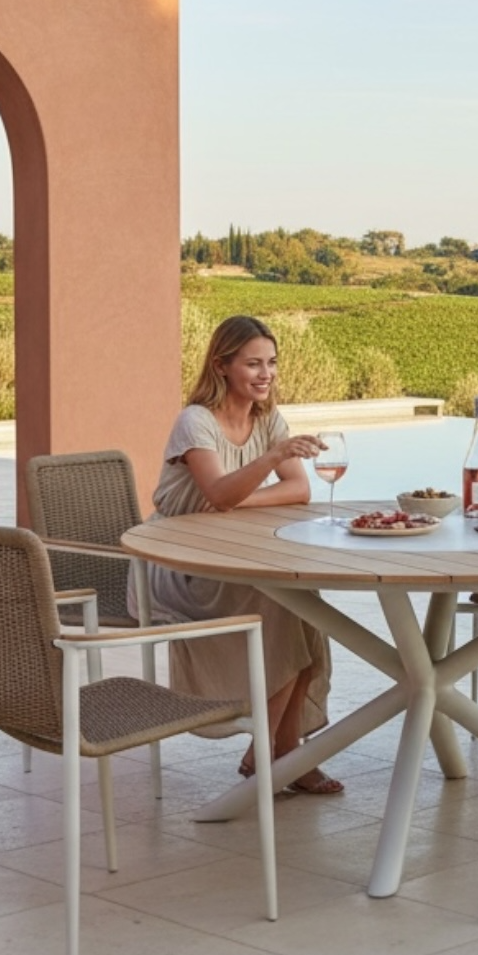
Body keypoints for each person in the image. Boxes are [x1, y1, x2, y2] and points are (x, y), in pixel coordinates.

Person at [149, 315, 341, 795]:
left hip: (230, 551)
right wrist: (269, 461)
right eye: (253, 363)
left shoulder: (268, 418)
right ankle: (273, 755)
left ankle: (282, 750)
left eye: (272, 363)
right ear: (222, 365)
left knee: (304, 600)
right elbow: (218, 489)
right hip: (180, 566)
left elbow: (298, 490)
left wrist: (236, 502)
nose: (266, 374)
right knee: (279, 600)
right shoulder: (195, 421)